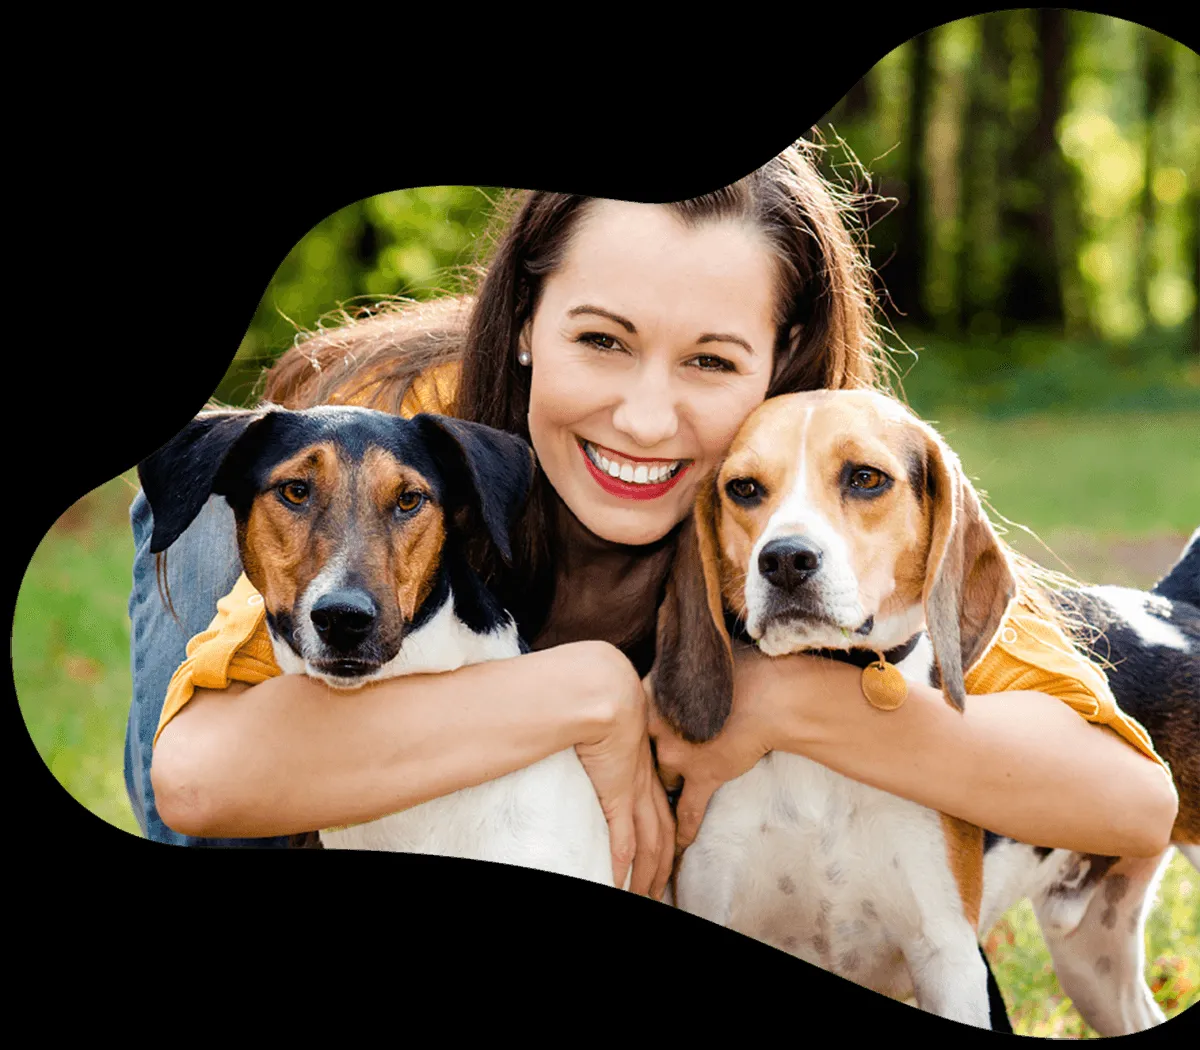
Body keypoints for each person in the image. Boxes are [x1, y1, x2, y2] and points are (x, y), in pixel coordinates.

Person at [125, 138, 1177, 1027]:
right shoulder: (395, 452)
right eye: (601, 341)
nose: (642, 417)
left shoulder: (815, 490)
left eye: (713, 363)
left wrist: (773, 697)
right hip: (309, 707)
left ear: (786, 361)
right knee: (240, 527)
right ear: (528, 322)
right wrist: (592, 697)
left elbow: (1130, 803)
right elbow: (205, 783)